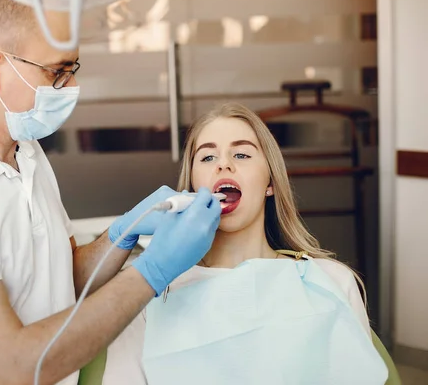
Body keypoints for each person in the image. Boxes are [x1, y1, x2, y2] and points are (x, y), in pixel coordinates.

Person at [0, 0, 221, 385]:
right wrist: (152, 272)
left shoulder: (27, 151)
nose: (69, 87)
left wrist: (122, 234)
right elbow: (15, 367)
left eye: (72, 69)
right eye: (57, 71)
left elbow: (62, 280)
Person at [102, 102, 386, 384]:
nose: (224, 164)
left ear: (269, 183)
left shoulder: (331, 282)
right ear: (191, 186)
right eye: (208, 158)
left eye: (241, 154)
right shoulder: (146, 292)